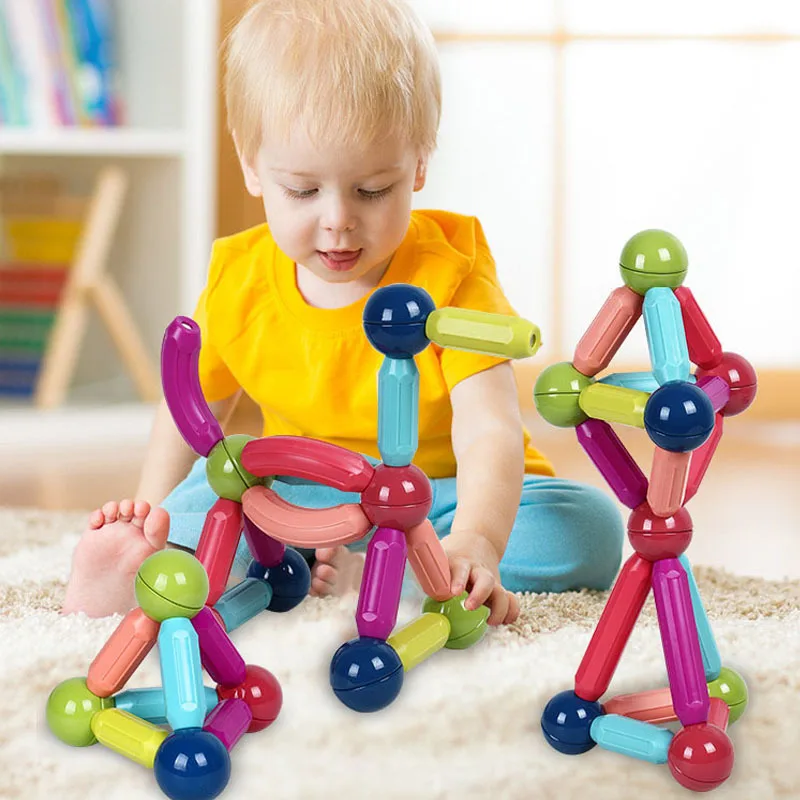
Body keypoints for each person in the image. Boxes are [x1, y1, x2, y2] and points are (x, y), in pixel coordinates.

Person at [62, 0, 623, 623]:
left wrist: (477, 539)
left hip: (437, 498)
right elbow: (188, 412)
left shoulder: (452, 271)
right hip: (297, 492)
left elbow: (489, 427)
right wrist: (153, 512)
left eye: (372, 190)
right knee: (213, 495)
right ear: (251, 165)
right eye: (302, 190)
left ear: (419, 163)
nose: (337, 220)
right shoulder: (239, 279)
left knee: (588, 529)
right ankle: (153, 563)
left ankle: (398, 571)